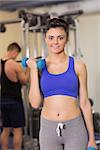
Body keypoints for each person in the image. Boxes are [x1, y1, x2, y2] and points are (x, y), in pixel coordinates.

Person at [27, 18, 97, 150]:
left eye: (60, 38)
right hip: (48, 129)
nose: (55, 42)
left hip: (75, 127)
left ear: (67, 39)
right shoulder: (39, 66)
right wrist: (33, 70)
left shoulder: (78, 66)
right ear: (46, 39)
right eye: (51, 38)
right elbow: (35, 103)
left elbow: (85, 103)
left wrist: (92, 137)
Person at [0, 42, 30, 150]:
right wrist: (29, 68)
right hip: (14, 100)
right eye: (16, 54)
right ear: (13, 51)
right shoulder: (13, 64)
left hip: (2, 100)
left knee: (6, 129)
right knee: (17, 129)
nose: (16, 56)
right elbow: (24, 81)